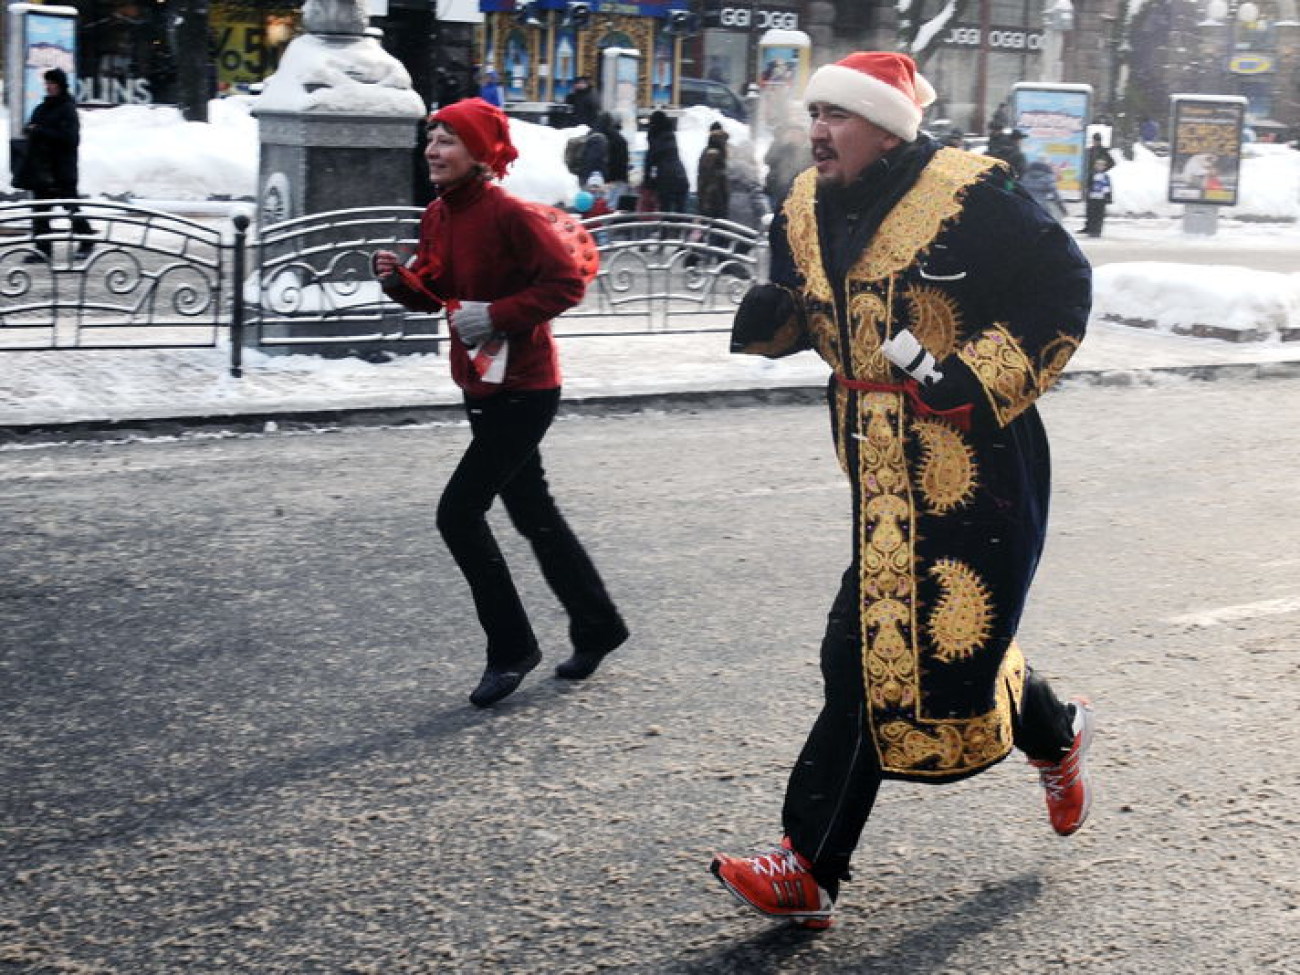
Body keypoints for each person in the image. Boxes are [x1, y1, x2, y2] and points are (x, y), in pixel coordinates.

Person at [712, 51, 1095, 931]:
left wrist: (973, 374)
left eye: (836, 115)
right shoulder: (804, 206)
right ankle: (1057, 728)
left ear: (887, 126)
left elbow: (1062, 287)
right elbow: (819, 316)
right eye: (811, 113)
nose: (816, 130)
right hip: (876, 473)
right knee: (922, 650)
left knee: (871, 652)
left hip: (977, 467)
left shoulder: (971, 196)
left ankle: (806, 864)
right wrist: (777, 323)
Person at [372, 98, 628, 708]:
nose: (434, 150)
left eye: (448, 140)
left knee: (457, 514)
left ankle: (512, 648)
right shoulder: (438, 213)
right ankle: (598, 625)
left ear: (480, 154)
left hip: (528, 387)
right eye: (431, 138)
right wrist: (400, 284)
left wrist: (500, 314)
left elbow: (565, 282)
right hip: (480, 382)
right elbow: (440, 291)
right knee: (532, 510)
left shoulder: (510, 214)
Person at [14, 68, 95, 263]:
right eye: (47, 83)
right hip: (42, 170)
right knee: (40, 212)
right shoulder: (42, 107)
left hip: (62, 169)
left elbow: (70, 139)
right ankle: (43, 249)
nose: (49, 87)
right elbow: (31, 127)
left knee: (71, 208)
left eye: (52, 83)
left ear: (61, 85)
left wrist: (41, 131)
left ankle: (87, 240)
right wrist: (30, 129)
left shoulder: (67, 108)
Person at [642, 110, 689, 214]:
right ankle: (680, 229)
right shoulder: (671, 136)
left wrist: (648, 185)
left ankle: (667, 230)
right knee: (681, 215)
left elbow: (649, 165)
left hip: (666, 180)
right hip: (681, 177)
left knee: (665, 214)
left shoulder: (655, 139)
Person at [763, 122, 811, 210]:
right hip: (776, 190)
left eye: (798, 135)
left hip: (796, 194)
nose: (794, 136)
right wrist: (784, 146)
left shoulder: (807, 152)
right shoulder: (780, 146)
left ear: (803, 137)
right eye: (792, 133)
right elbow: (768, 159)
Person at [695, 122, 730, 220]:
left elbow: (701, 176)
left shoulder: (706, 153)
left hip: (708, 199)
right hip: (719, 200)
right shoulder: (723, 153)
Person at [1083, 157, 1113, 237]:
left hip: (1101, 199)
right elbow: (1088, 186)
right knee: (1092, 215)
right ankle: (1091, 230)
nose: (1100, 166)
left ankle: (1097, 231)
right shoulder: (1092, 174)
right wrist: (1087, 196)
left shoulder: (1105, 176)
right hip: (1092, 198)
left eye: (1102, 165)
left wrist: (1108, 197)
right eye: (1098, 164)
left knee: (1099, 216)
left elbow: (1108, 187)